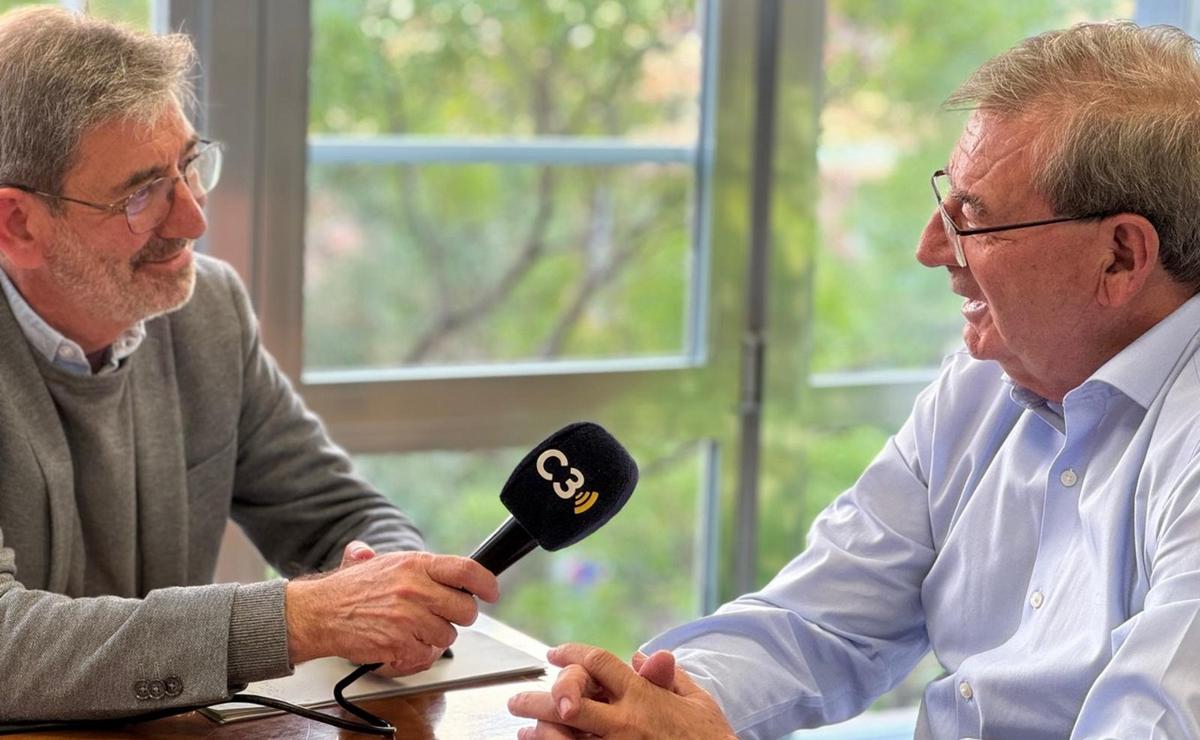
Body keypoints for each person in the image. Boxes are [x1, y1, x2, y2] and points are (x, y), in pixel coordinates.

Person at [509, 19, 1200, 739]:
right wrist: (659, 703)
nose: (931, 247)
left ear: (1121, 257)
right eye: (946, 200)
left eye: (972, 217)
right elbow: (819, 623)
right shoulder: (982, 382)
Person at [0, 7, 498, 723]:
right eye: (142, 194)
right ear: (18, 223)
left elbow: (339, 511)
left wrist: (392, 587)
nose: (194, 219)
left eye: (189, 166)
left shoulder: (209, 312)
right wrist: (295, 619)